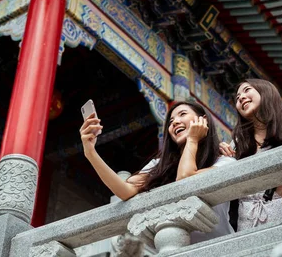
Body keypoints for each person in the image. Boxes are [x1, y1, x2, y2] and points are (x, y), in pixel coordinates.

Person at [80, 100, 235, 243]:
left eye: (182, 114)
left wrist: (193, 139)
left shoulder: (224, 162)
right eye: (171, 121)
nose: (175, 122)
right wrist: (90, 152)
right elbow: (125, 190)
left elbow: (186, 181)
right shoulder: (159, 165)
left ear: (203, 121)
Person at [219, 79, 282, 231]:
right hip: (248, 230)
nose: (240, 97)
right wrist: (221, 158)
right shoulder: (237, 146)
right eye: (237, 97)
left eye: (247, 90)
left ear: (266, 92)